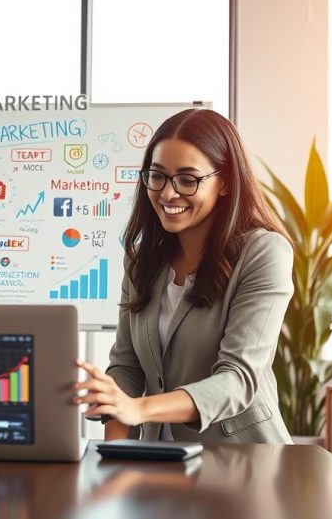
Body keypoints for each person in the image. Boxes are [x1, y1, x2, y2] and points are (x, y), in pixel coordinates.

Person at [73, 108, 294, 444]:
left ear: (226, 183)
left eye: (188, 180)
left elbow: (238, 379)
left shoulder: (264, 253)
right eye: (157, 176)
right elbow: (126, 368)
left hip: (244, 464)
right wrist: (115, 452)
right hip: (157, 463)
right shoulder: (142, 260)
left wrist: (139, 408)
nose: (167, 193)